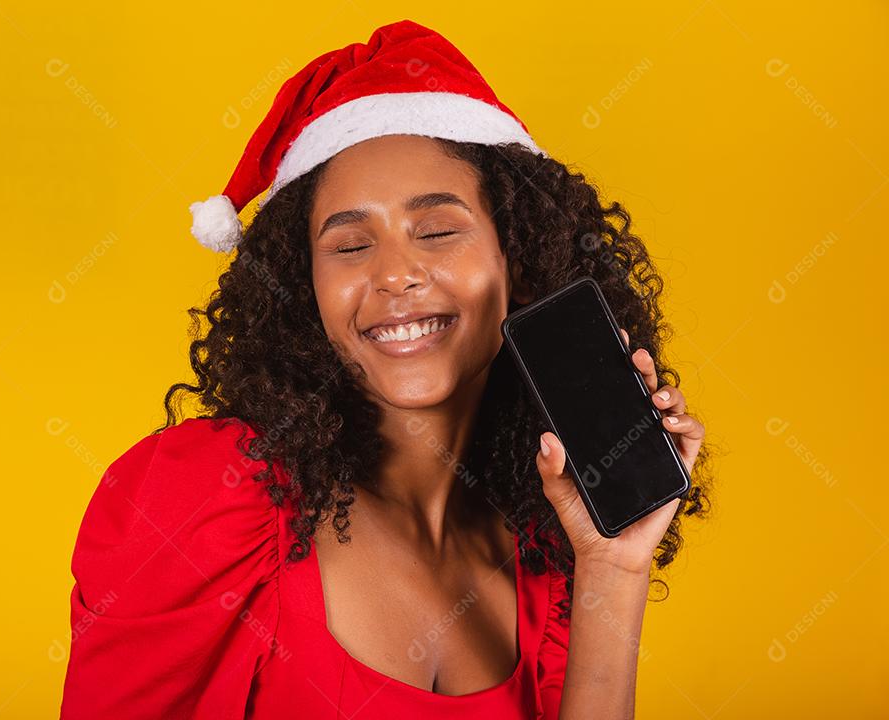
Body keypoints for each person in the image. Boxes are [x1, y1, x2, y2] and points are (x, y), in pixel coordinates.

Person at [59, 18, 711, 720]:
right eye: (349, 245)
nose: (395, 274)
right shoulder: (201, 503)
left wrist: (612, 568)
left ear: (516, 261)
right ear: (303, 287)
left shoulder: (544, 561)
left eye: (436, 231)